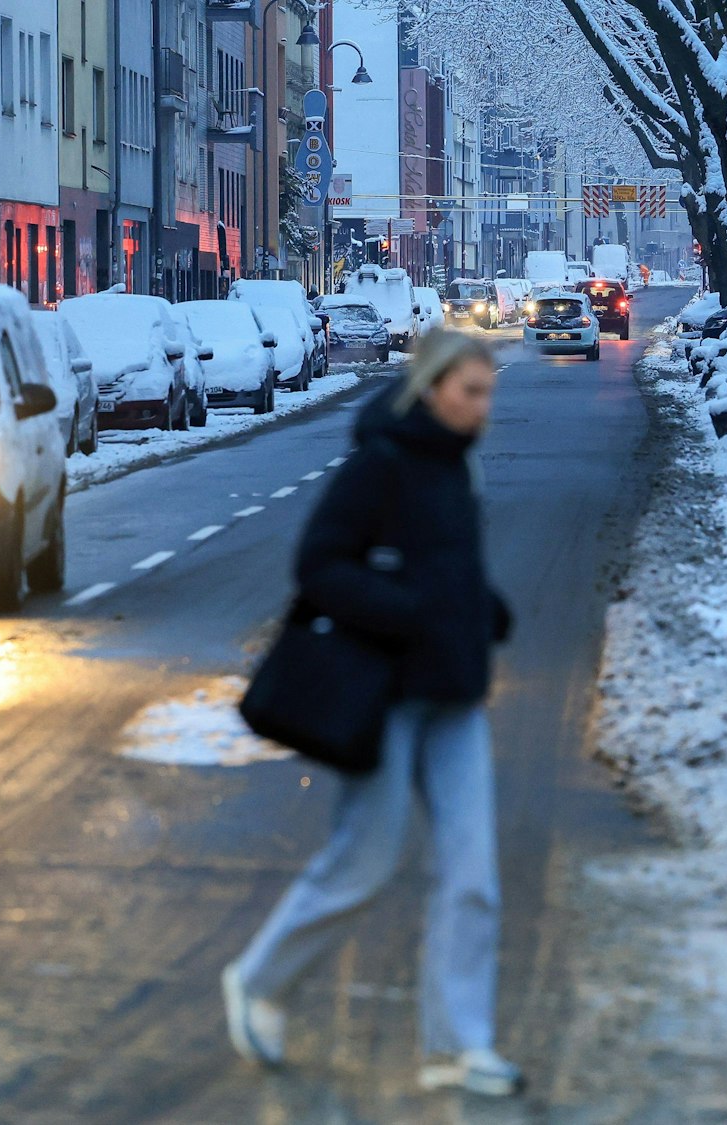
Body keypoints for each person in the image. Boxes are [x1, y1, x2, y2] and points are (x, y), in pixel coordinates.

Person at [222, 329, 520, 1096]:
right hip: (384, 693)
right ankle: (259, 980)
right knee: (364, 861)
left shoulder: (459, 465)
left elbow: (442, 569)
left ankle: (459, 1042)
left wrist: (479, 610)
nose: (483, 407)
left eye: (489, 393)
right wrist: (413, 612)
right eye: (471, 392)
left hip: (451, 691)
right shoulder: (378, 463)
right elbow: (320, 566)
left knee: (474, 871)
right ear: (430, 388)